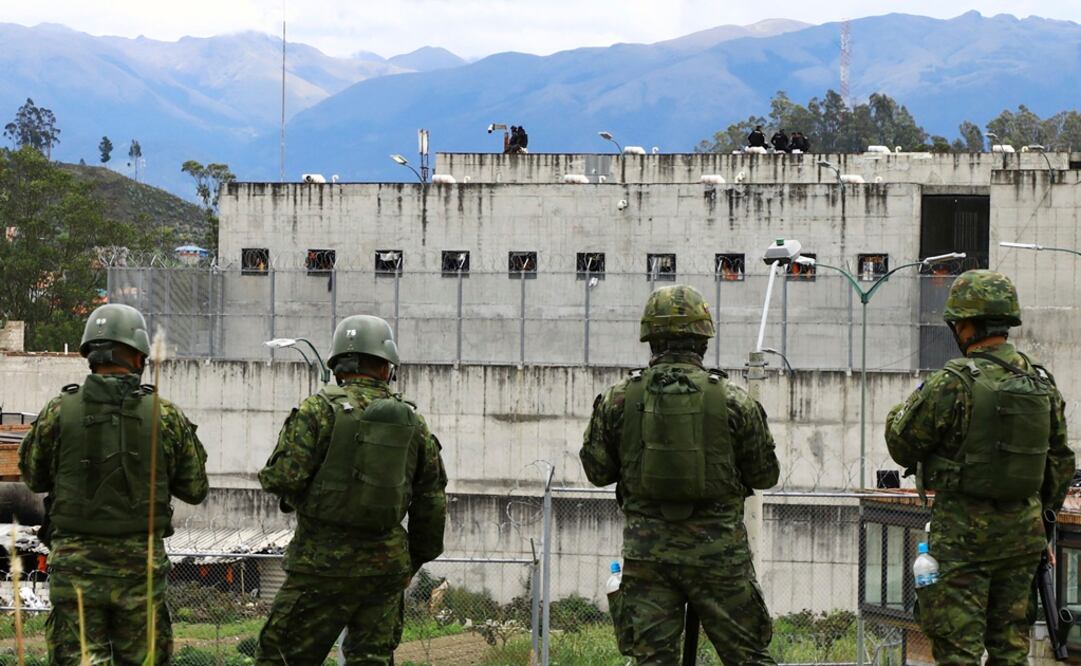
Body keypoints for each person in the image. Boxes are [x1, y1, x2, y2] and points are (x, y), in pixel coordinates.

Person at [580, 285, 780, 666]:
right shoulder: (734, 400)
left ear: (650, 338)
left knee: (653, 660)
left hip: (648, 556)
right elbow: (765, 474)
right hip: (719, 555)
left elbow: (597, 471)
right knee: (748, 657)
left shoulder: (619, 399)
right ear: (703, 339)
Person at [885, 270, 1074, 665]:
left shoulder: (952, 383)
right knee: (1010, 651)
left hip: (963, 541)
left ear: (966, 325)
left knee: (959, 652)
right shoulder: (1040, 381)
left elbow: (902, 445)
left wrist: (898, 412)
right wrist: (1043, 522)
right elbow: (1060, 461)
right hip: (1023, 538)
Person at [19, 303, 209, 665]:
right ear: (138, 357)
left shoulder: (59, 411)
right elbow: (195, 488)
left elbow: (34, 476)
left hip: (75, 571)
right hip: (140, 574)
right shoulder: (164, 415)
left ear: (90, 354)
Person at [256, 315, 448, 665]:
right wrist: (412, 562)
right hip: (384, 570)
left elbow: (281, 477)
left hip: (319, 566)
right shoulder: (413, 423)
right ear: (387, 367)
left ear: (337, 364)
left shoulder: (318, 410)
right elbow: (431, 503)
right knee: (370, 659)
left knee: (282, 658)